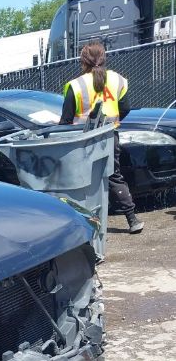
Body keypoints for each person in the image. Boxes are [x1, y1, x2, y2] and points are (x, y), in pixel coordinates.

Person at [60, 41, 144, 234]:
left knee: (84, 181)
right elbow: (125, 108)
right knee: (114, 175)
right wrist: (112, 123)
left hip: (83, 140)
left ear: (83, 61)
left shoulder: (75, 85)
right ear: (103, 58)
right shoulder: (116, 79)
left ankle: (87, 225)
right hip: (109, 135)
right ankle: (132, 220)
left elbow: (65, 121)